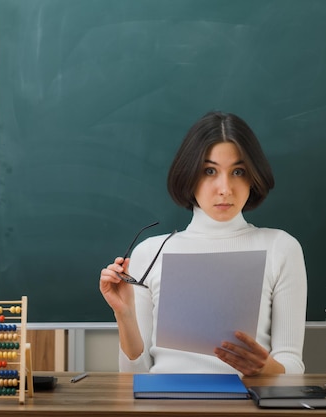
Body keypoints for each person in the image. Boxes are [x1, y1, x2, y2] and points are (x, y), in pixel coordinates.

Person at [99, 111, 307, 376]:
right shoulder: (150, 253)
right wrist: (124, 315)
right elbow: (134, 378)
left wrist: (265, 368)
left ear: (253, 176)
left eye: (238, 171)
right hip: (165, 409)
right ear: (189, 174)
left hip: (247, 408)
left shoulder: (281, 247)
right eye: (210, 171)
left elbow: (292, 367)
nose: (225, 188)